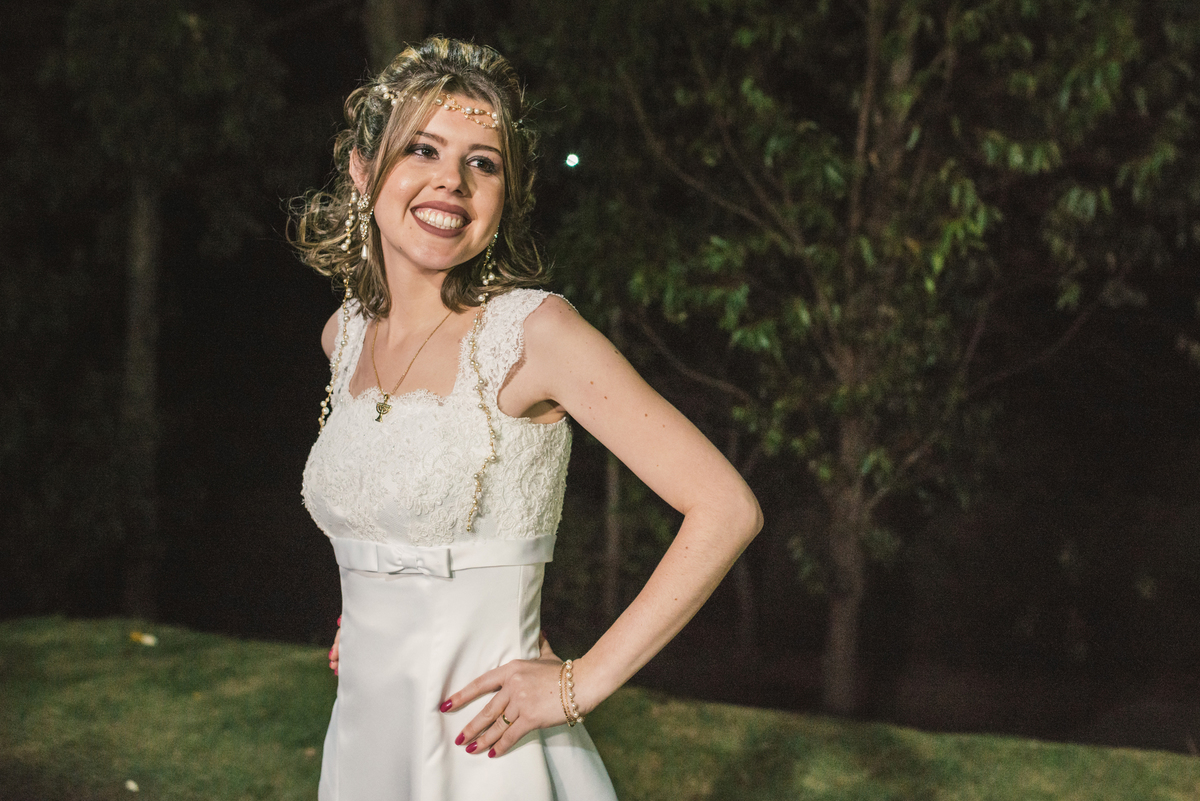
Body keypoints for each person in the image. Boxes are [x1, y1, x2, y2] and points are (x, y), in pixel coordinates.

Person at [291, 37, 762, 800]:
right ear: (362, 169)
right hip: (367, 733)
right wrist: (372, 613)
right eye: (422, 149)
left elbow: (726, 507)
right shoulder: (342, 336)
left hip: (486, 743)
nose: (451, 179)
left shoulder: (533, 334)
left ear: (504, 195)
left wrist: (578, 683)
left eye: (482, 162)